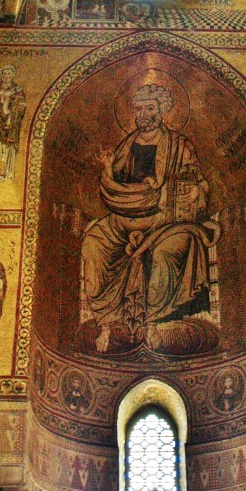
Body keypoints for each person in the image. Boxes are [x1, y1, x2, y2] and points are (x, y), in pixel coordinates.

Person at [81, 83, 218, 352]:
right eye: (140, 108)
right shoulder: (127, 144)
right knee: (93, 245)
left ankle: (154, 323)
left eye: (150, 108)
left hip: (166, 220)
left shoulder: (180, 146)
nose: (143, 113)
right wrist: (108, 167)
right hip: (124, 218)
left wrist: (194, 192)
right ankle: (107, 323)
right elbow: (113, 186)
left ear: (162, 112)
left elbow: (198, 183)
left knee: (164, 256)